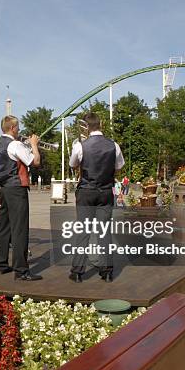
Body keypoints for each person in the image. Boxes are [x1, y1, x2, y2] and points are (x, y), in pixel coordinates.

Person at [68, 113, 125, 283]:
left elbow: (73, 164)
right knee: (104, 232)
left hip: (86, 191)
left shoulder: (80, 145)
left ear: (86, 126)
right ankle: (106, 271)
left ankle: (77, 271)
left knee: (83, 232)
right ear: (101, 125)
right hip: (106, 191)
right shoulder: (113, 145)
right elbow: (119, 166)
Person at [0, 115, 42, 281]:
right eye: (18, 127)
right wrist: (34, 145)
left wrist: (26, 145)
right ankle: (21, 270)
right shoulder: (15, 144)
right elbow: (34, 161)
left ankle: (1, 264)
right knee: (20, 229)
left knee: (4, 226)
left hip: (5, 188)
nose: (19, 130)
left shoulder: (0, 144)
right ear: (13, 128)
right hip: (16, 188)